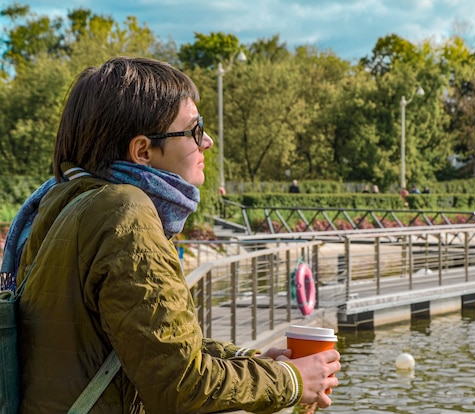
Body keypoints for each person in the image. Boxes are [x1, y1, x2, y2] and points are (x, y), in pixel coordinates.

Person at [1, 57, 340, 413]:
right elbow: (180, 384)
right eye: (194, 130)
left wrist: (251, 361)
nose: (207, 141)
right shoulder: (126, 213)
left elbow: (148, 343)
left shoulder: (62, 201)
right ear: (143, 151)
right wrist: (290, 381)